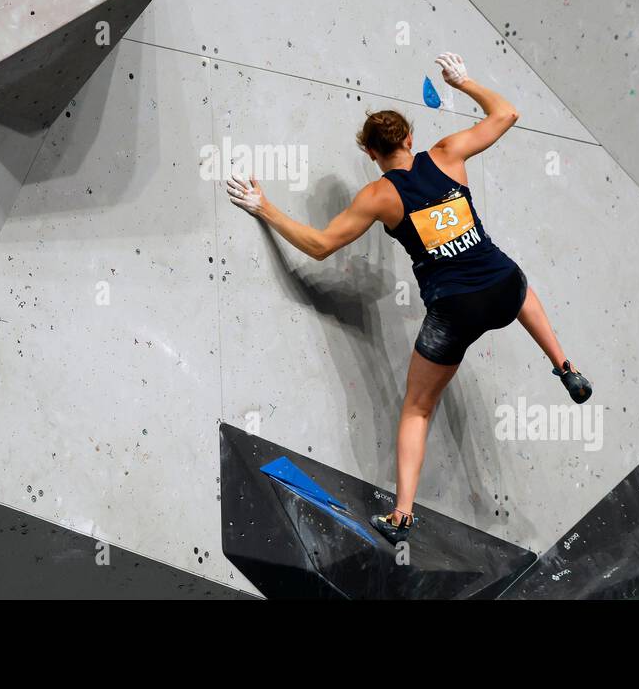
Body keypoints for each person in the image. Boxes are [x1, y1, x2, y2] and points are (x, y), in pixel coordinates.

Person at [225, 53, 592, 546]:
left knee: (417, 410)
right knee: (515, 279)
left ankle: (402, 517)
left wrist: (265, 207)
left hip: (453, 313)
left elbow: (319, 245)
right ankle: (564, 364)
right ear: (409, 141)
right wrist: (462, 82)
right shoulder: (447, 153)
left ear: (372, 154)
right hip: (501, 288)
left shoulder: (379, 196)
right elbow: (506, 114)